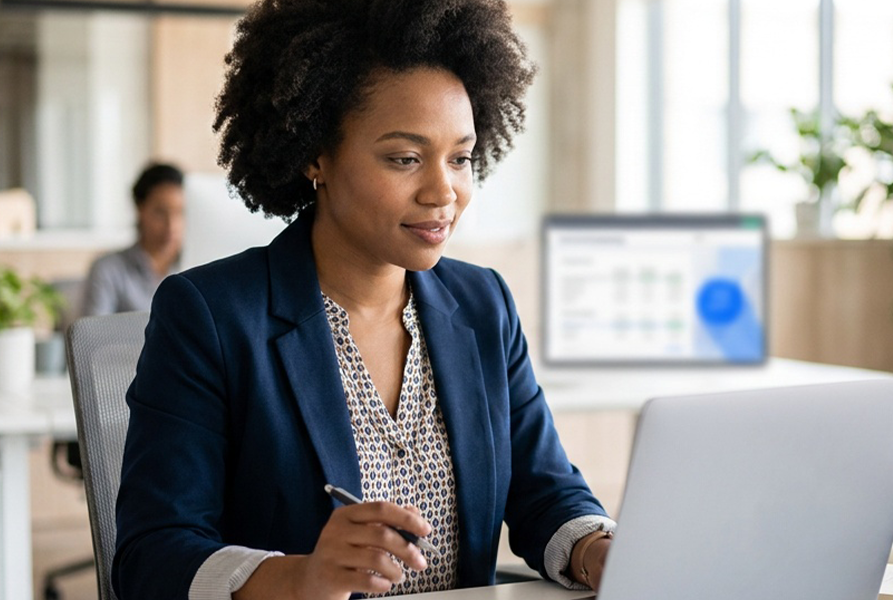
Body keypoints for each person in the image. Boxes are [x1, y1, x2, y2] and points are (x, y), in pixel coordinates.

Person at [112, 1, 615, 599]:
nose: (443, 191)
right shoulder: (210, 316)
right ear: (315, 156)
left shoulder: (483, 304)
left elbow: (546, 493)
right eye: (405, 158)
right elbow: (151, 556)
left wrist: (597, 550)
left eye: (460, 158)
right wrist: (301, 577)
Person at [79, 163, 185, 317]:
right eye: (160, 212)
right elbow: (93, 339)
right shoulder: (108, 270)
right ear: (140, 210)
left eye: (180, 212)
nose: (171, 225)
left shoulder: (196, 267)